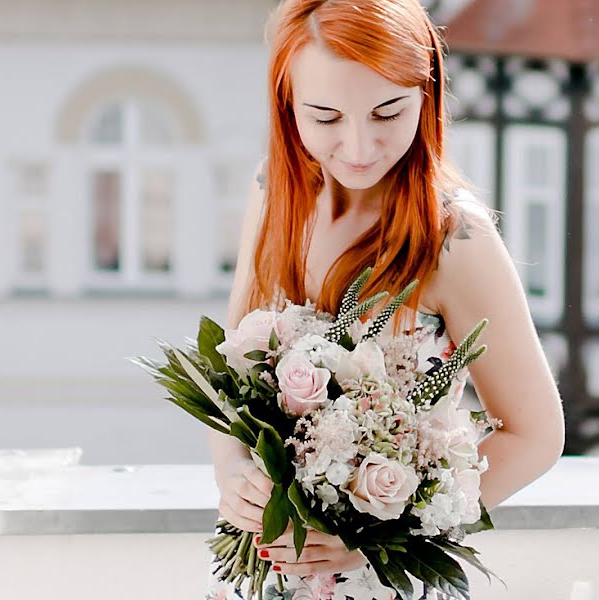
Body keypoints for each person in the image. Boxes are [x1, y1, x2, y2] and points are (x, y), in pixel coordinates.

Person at [207, 1, 566, 598]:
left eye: (386, 112)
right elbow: (231, 368)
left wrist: (378, 528)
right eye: (325, 117)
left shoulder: (454, 237)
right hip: (265, 571)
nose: (359, 146)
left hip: (382, 583)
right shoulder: (273, 191)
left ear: (425, 96)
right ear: (287, 105)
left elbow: (534, 435)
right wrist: (238, 480)